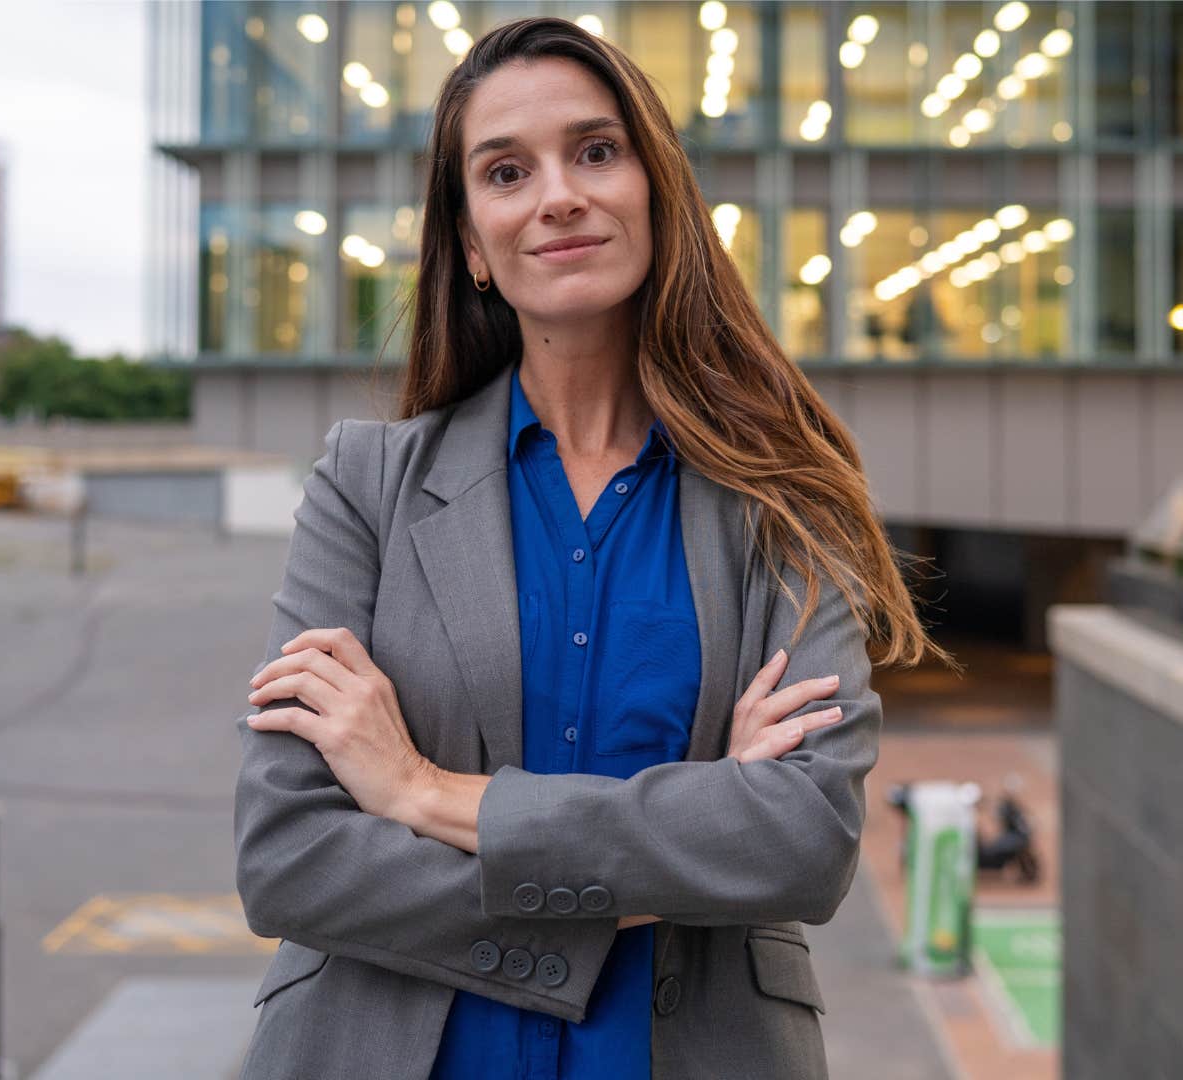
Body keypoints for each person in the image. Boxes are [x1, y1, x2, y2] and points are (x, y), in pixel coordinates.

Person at [232, 17, 950, 1080]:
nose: (558, 194)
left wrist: (424, 793)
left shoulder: (784, 499)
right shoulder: (368, 487)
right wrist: (672, 863)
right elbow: (289, 857)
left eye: (596, 151)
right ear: (473, 242)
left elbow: (801, 841)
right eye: (506, 171)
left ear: (654, 191)